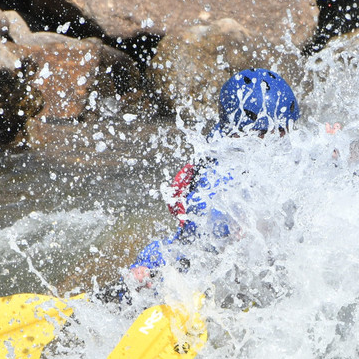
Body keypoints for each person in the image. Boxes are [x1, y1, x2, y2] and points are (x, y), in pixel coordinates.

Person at [119, 68, 301, 299]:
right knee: (158, 267)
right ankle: (124, 289)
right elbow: (196, 233)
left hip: (268, 261)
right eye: (267, 133)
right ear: (237, 134)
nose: (277, 141)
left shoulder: (293, 154)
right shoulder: (217, 170)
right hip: (204, 257)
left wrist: (340, 160)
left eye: (284, 131)